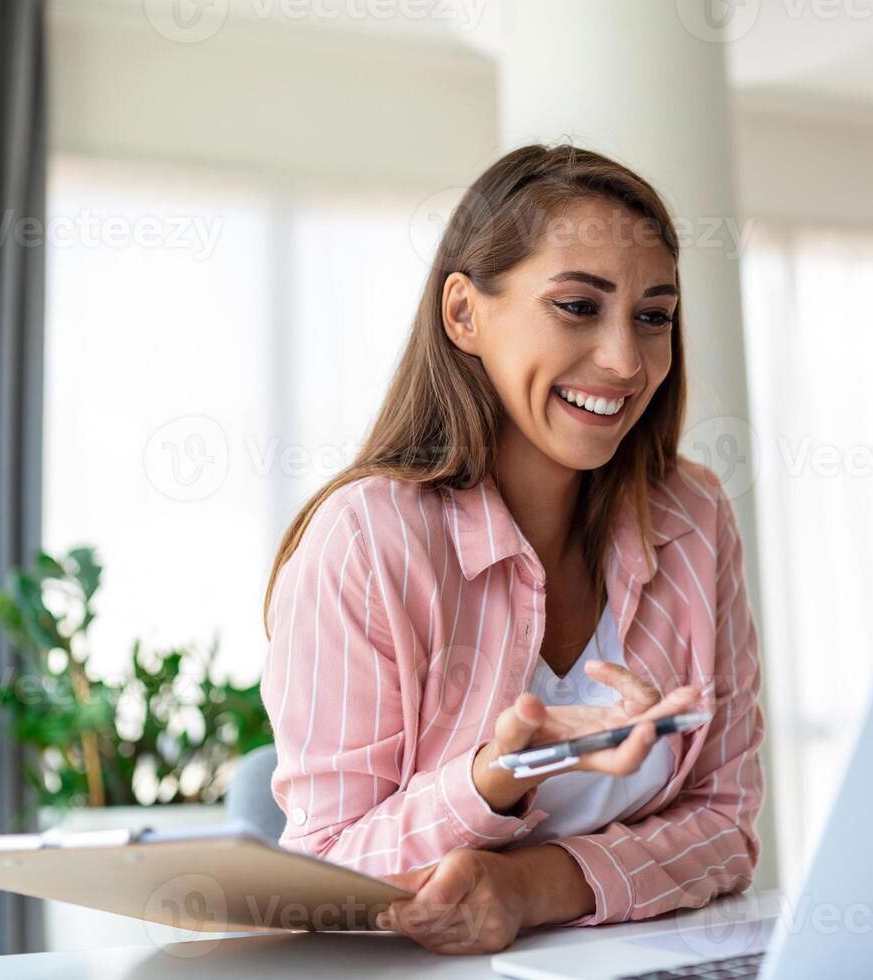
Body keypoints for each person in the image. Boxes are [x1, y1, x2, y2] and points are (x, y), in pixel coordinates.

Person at [260, 142, 764, 955]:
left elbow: (726, 826)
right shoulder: (367, 540)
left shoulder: (696, 518)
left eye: (653, 315)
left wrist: (535, 886)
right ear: (464, 313)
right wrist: (491, 777)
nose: (627, 361)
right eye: (577, 306)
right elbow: (321, 880)